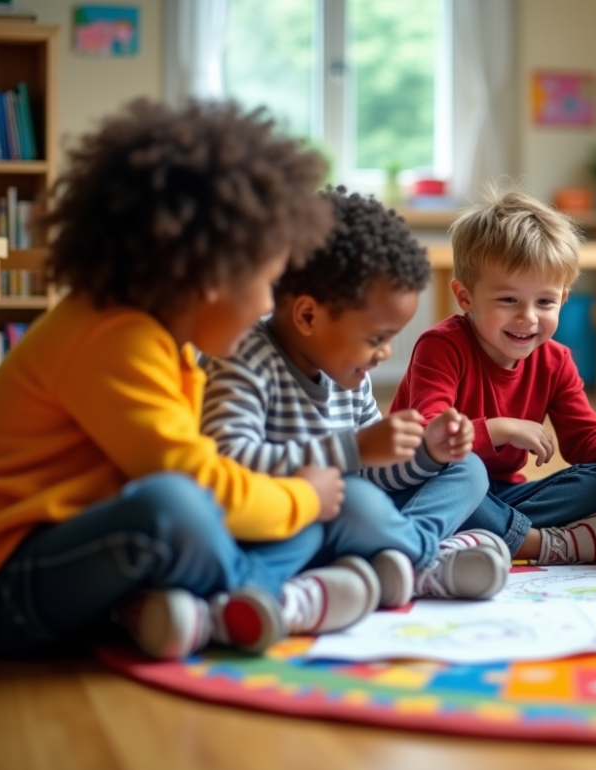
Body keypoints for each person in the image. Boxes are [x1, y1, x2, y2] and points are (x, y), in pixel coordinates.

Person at [0, 100, 375, 660]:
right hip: (6, 588)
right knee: (178, 507)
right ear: (212, 278)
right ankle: (269, 600)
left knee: (298, 521)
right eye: (266, 284)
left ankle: (208, 609)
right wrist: (302, 495)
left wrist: (300, 502)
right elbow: (195, 482)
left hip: (85, 558)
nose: (268, 304)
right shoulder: (113, 338)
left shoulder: (167, 346)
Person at [202, 187, 507, 610]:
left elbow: (371, 473)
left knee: (467, 468)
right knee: (357, 502)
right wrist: (355, 448)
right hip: (279, 521)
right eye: (375, 339)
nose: (383, 354)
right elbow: (225, 459)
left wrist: (426, 456)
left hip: (350, 512)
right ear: (308, 316)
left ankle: (397, 553)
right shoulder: (241, 357)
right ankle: (423, 559)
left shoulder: (350, 373)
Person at [391, 184, 596, 565]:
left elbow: (585, 436)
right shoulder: (441, 346)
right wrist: (502, 428)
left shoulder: (555, 359)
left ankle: (480, 531)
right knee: (460, 475)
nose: (528, 318)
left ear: (563, 298)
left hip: (500, 498)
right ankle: (536, 543)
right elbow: (430, 435)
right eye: (508, 300)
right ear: (466, 297)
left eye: (545, 302)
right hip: (434, 485)